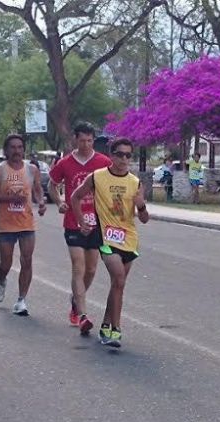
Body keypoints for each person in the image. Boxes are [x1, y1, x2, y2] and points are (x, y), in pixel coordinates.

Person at [71, 137, 149, 347]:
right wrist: (81, 222)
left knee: (118, 284)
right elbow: (75, 197)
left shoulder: (135, 182)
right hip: (106, 237)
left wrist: (141, 206)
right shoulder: (97, 177)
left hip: (129, 239)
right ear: (111, 155)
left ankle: (106, 324)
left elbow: (144, 218)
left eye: (128, 155)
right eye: (120, 154)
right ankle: (115, 329)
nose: (124, 159)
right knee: (119, 278)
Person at [48, 122, 112, 335]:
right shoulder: (65, 163)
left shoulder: (104, 162)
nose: (86, 144)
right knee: (79, 265)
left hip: (97, 222)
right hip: (73, 221)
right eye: (82, 140)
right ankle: (83, 316)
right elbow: (52, 184)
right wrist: (59, 202)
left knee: (92, 268)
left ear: (94, 140)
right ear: (75, 139)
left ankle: (76, 298)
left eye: (89, 141)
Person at [0, 134, 46, 316]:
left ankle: (21, 300)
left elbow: (37, 189)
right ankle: (2, 280)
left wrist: (41, 202)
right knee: (6, 263)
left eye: (20, 147)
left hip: (26, 223)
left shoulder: (31, 169)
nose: (17, 151)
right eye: (12, 147)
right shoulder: (0, 170)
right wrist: (12, 198)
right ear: (6, 150)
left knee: (26, 260)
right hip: (6, 225)